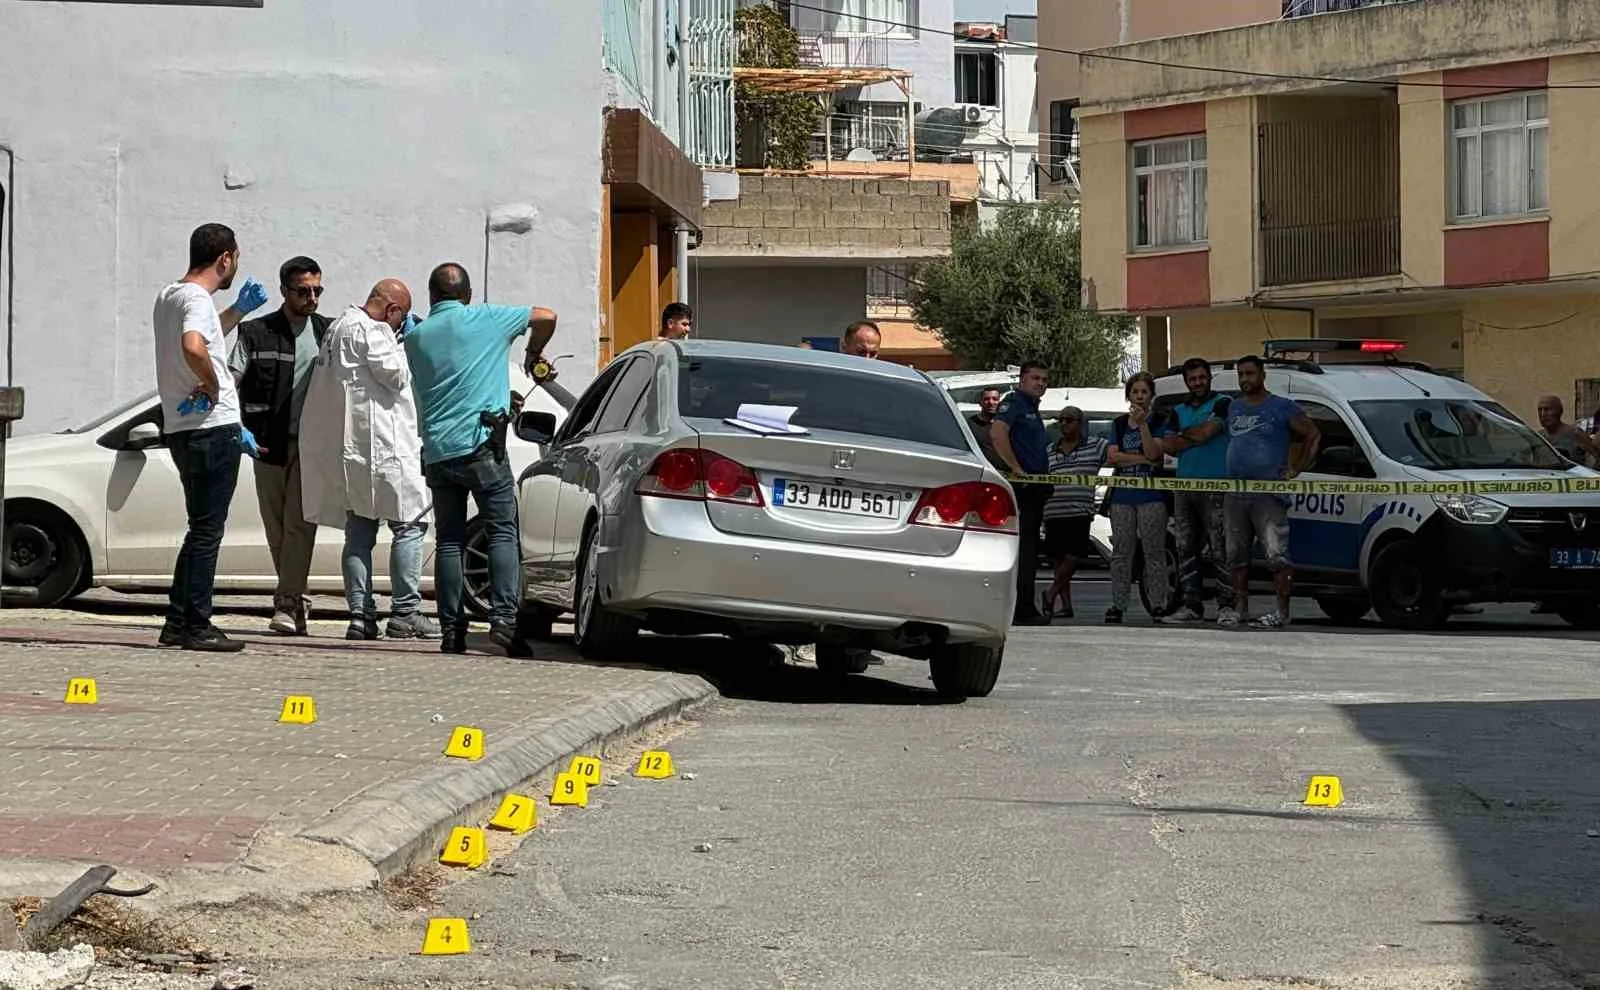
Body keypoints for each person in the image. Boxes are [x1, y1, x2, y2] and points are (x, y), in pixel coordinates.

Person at [405, 263, 557, 655]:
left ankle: (451, 631)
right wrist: (534, 351)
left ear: (432, 296)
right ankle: (504, 620)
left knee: (450, 540)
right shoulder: (487, 318)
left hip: (439, 450)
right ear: (468, 295)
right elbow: (547, 316)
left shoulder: (416, 339)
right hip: (482, 445)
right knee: (502, 531)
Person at [300, 279, 440, 642]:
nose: (401, 323)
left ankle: (360, 616)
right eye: (401, 317)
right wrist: (407, 342)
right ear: (392, 310)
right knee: (410, 522)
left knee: (359, 531)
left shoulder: (338, 327)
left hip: (354, 453)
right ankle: (406, 612)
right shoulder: (374, 331)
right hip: (385, 447)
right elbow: (395, 375)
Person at [153, 223, 269, 652]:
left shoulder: (171, 296)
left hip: (184, 430)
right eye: (235, 258)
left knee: (197, 529)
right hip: (209, 429)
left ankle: (177, 622)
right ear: (225, 258)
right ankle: (198, 624)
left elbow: (205, 337)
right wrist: (215, 387)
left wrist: (237, 311)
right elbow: (194, 346)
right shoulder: (198, 298)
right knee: (207, 533)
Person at [229, 256, 332, 636]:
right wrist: (236, 427)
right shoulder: (256, 332)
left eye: (317, 290)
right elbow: (231, 378)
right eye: (303, 291)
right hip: (267, 443)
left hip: (312, 446)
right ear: (285, 291)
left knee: (299, 527)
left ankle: (286, 604)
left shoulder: (329, 332)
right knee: (276, 528)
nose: (312, 298)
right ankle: (297, 602)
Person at [1224, 355, 1321, 629]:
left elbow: (1313, 434)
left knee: (1276, 554)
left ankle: (1282, 611)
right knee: (1236, 554)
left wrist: (1296, 469)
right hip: (1235, 493)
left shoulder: (1281, 407)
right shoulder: (1233, 407)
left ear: (1262, 374)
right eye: (1241, 374)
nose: (1245, 379)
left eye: (1250, 373)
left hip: (1268, 495)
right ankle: (1240, 608)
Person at [1159, 358, 1238, 624]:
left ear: (1209, 378)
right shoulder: (1177, 409)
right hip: (1184, 487)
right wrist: (1187, 436)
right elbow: (1168, 446)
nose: (1198, 383)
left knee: (1220, 548)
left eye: (1202, 377)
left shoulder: (1223, 402)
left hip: (1216, 486)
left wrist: (1183, 437)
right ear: (1186, 381)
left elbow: (1209, 431)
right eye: (1192, 379)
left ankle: (1226, 606)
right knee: (1185, 547)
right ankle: (1191, 605)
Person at [1104, 372, 1173, 624]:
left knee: (1154, 551)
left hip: (1151, 495)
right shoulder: (1119, 424)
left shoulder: (1160, 421)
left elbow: (1155, 453)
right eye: (1135, 392)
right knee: (1122, 551)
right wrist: (1141, 458)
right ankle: (1118, 604)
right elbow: (1113, 456)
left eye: (1144, 392)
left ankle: (1158, 603)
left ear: (1151, 396)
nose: (1140, 397)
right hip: (1122, 495)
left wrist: (1143, 425)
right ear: (1128, 395)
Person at [991, 361, 1051, 626]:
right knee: (1024, 550)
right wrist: (1016, 468)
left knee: (1030, 549)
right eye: (1035, 378)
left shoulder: (1032, 408)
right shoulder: (1014, 403)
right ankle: (1022, 607)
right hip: (1021, 488)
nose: (1040, 383)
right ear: (1022, 379)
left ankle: (1023, 604)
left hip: (1034, 488)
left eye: (1044, 380)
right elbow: (997, 432)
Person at [1041, 406, 1106, 621]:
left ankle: (1050, 593)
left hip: (1079, 510)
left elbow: (1114, 454)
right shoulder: (1049, 450)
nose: (1064, 424)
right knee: (1058, 560)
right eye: (1061, 420)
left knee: (1074, 556)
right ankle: (1065, 605)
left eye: (1069, 420)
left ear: (1080, 423)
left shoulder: (1095, 446)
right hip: (1053, 511)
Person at [1536, 394, 1598, 463]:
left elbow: (1595, 458)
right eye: (1540, 410)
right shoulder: (1538, 437)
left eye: (1548, 409)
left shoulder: (1576, 434)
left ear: (1560, 411)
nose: (1543, 414)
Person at [967, 386, 1007, 470]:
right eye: (987, 399)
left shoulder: (1007, 424)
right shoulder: (970, 424)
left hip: (1008, 475)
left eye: (995, 399)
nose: (991, 402)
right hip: (982, 473)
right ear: (980, 402)